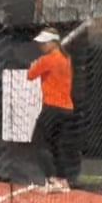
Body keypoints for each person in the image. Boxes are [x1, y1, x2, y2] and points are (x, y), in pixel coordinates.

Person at [26, 29, 79, 192]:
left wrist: (34, 65)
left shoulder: (48, 59)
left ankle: (52, 180)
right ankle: (63, 181)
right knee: (56, 145)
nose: (41, 46)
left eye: (44, 43)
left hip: (52, 108)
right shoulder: (66, 59)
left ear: (53, 43)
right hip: (67, 109)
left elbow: (30, 75)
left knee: (39, 142)